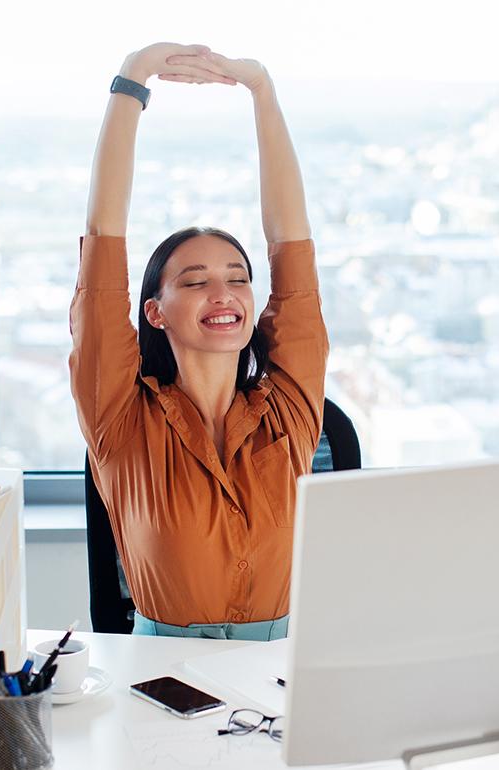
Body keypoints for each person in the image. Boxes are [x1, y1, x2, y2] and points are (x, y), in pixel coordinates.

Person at [69, 43, 328, 640]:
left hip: (279, 685)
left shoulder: (288, 412)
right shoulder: (121, 421)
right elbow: (102, 242)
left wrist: (262, 90)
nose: (225, 294)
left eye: (238, 280)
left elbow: (292, 244)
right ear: (155, 313)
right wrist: (131, 80)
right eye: (196, 281)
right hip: (160, 687)